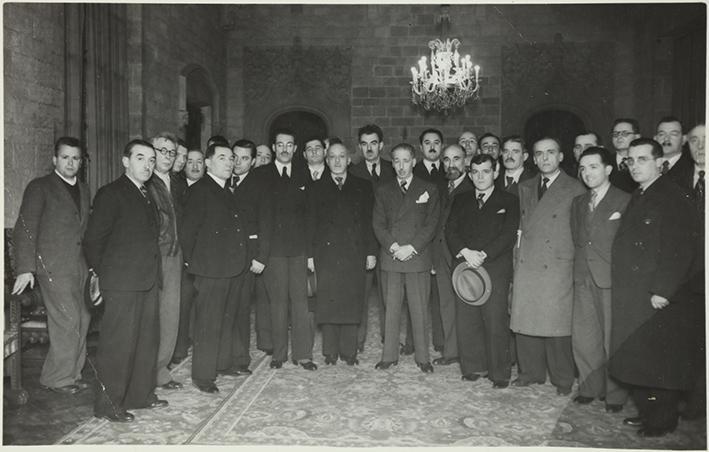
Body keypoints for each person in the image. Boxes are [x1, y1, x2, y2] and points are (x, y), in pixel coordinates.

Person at [609, 138, 699, 437]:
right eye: (631, 160)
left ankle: (662, 420)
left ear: (659, 162)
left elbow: (680, 248)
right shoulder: (642, 193)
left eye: (642, 159)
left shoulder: (672, 195)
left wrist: (663, 289)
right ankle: (649, 413)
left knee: (659, 360)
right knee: (642, 358)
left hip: (657, 295)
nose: (635, 165)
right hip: (636, 292)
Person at [84, 139, 165, 422]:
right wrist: (105, 276)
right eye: (141, 158)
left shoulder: (146, 193)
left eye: (152, 160)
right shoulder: (111, 193)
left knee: (145, 342)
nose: (148, 164)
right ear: (125, 161)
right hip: (121, 282)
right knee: (118, 344)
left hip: (146, 280)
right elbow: (93, 241)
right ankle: (109, 404)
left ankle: (139, 396)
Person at [12, 136, 92, 395]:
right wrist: (25, 268)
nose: (71, 162)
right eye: (65, 157)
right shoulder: (40, 187)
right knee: (67, 321)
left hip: (79, 266)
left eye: (75, 158)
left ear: (80, 162)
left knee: (83, 318)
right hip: (52, 268)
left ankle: (72, 373)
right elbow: (24, 229)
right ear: (55, 159)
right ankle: (57, 378)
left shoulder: (83, 188)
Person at [510, 137, 585, 395]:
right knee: (526, 319)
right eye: (539, 153)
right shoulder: (526, 186)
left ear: (561, 156)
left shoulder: (575, 188)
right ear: (532, 158)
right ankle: (530, 372)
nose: (545, 158)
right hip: (528, 260)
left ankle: (562, 379)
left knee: (557, 325)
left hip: (557, 263)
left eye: (550, 153)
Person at [180, 143, 249, 393]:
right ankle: (203, 375)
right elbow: (188, 233)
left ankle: (222, 363)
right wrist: (193, 264)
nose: (230, 162)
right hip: (210, 269)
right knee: (208, 323)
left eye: (231, 158)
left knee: (226, 319)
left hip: (229, 267)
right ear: (208, 163)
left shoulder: (225, 190)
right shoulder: (201, 190)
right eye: (223, 158)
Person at [446, 154, 519, 387]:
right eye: (475, 172)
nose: (480, 176)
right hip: (465, 267)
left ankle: (499, 373)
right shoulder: (461, 199)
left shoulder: (509, 200)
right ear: (470, 174)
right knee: (467, 319)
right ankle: (472, 366)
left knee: (495, 321)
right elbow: (451, 230)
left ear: (495, 173)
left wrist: (484, 254)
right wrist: (465, 252)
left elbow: (508, 235)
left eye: (486, 171)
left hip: (494, 267)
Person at [570, 147, 630, 412]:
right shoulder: (579, 203)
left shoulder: (626, 200)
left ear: (608, 169)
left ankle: (615, 395)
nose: (587, 173)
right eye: (582, 168)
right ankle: (589, 387)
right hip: (582, 277)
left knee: (611, 339)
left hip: (610, 279)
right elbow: (578, 240)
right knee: (584, 338)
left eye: (593, 166)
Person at [373, 143, 440, 373]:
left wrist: (411, 248)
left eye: (406, 160)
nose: (401, 166)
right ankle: (389, 356)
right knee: (390, 309)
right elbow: (378, 224)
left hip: (417, 257)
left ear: (414, 161)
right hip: (391, 258)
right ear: (392, 164)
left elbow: (431, 224)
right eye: (397, 161)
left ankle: (423, 358)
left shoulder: (428, 189)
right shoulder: (383, 190)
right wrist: (393, 247)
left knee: (419, 309)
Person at [307, 142, 376, 365]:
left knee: (350, 302)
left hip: (354, 254)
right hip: (325, 255)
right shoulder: (316, 188)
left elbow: (369, 222)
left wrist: (370, 252)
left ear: (348, 160)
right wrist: (309, 256)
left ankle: (349, 352)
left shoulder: (363, 186)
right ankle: (330, 352)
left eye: (341, 157)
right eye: (332, 157)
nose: (337, 161)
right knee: (328, 302)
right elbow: (310, 224)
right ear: (327, 161)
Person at [254, 128, 316, 370]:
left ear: (295, 149)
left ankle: (303, 355)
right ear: (273, 147)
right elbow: (258, 215)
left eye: (289, 145)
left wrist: (310, 254)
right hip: (274, 252)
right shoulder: (261, 174)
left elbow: (311, 216)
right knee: (277, 304)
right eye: (280, 144)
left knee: (300, 304)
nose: (284, 149)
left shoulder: (303, 174)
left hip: (299, 250)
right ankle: (278, 354)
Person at [225, 139, 270, 375]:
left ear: (253, 162)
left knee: (241, 309)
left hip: (248, 257)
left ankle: (240, 359)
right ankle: (223, 357)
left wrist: (261, 256)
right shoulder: (221, 182)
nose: (238, 163)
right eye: (235, 157)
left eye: (244, 158)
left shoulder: (259, 185)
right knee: (224, 308)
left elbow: (266, 222)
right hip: (223, 258)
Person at [349, 124, 395, 351]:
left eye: (373, 143)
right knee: (361, 294)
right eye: (364, 144)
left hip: (388, 242)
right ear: (359, 147)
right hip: (362, 243)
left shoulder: (393, 169)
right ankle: (357, 340)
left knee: (390, 295)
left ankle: (390, 338)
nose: (369, 148)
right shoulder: (352, 171)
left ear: (382, 145)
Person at [146, 132, 186, 391]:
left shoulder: (177, 182)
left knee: (171, 314)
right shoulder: (145, 182)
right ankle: (145, 373)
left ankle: (161, 371)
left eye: (172, 153)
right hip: (152, 257)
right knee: (150, 317)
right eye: (162, 151)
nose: (167, 157)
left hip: (175, 255)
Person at [430, 144, 474, 367]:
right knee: (446, 305)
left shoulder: (473, 185)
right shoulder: (440, 187)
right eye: (446, 160)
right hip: (440, 254)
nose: (451, 164)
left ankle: (469, 353)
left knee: (466, 306)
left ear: (466, 161)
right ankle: (451, 351)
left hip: (462, 255)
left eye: (456, 159)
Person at [412, 127, 447, 354]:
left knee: (441, 295)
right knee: (415, 296)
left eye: (436, 142)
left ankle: (441, 340)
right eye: (427, 143)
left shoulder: (449, 171)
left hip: (442, 241)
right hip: (418, 242)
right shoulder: (411, 172)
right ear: (421, 147)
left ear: (441, 146)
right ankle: (412, 342)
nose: (432, 146)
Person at [171, 148, 204, 365]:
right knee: (181, 304)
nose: (193, 166)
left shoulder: (211, 188)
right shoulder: (176, 188)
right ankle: (179, 348)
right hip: (182, 257)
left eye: (198, 162)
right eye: (188, 161)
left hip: (206, 258)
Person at [655, 116, 694, 190]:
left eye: (673, 134)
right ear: (655, 138)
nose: (666, 139)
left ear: (684, 139)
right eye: (661, 134)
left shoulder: (692, 168)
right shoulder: (647, 165)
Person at [609, 118, 641, 193]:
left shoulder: (643, 162)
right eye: (615, 134)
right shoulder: (605, 161)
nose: (619, 137)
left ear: (637, 137)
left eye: (625, 134)